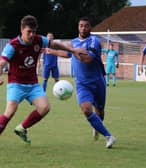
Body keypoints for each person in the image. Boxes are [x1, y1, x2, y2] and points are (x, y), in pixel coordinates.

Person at [0, 15, 85, 143]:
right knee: (10, 111)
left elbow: (54, 43)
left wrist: (72, 50)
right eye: (29, 31)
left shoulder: (39, 40)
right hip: (16, 84)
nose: (32, 35)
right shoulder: (12, 45)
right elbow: (1, 63)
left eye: (34, 31)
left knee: (44, 107)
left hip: (33, 84)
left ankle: (22, 128)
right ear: (21, 29)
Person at [43, 17, 117, 148]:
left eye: (86, 26)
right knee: (86, 109)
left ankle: (97, 126)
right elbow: (67, 54)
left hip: (97, 81)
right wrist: (51, 51)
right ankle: (109, 136)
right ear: (78, 27)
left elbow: (87, 59)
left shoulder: (94, 41)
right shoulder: (73, 42)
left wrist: (73, 51)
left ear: (90, 27)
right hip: (82, 84)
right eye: (81, 26)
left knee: (100, 110)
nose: (83, 28)